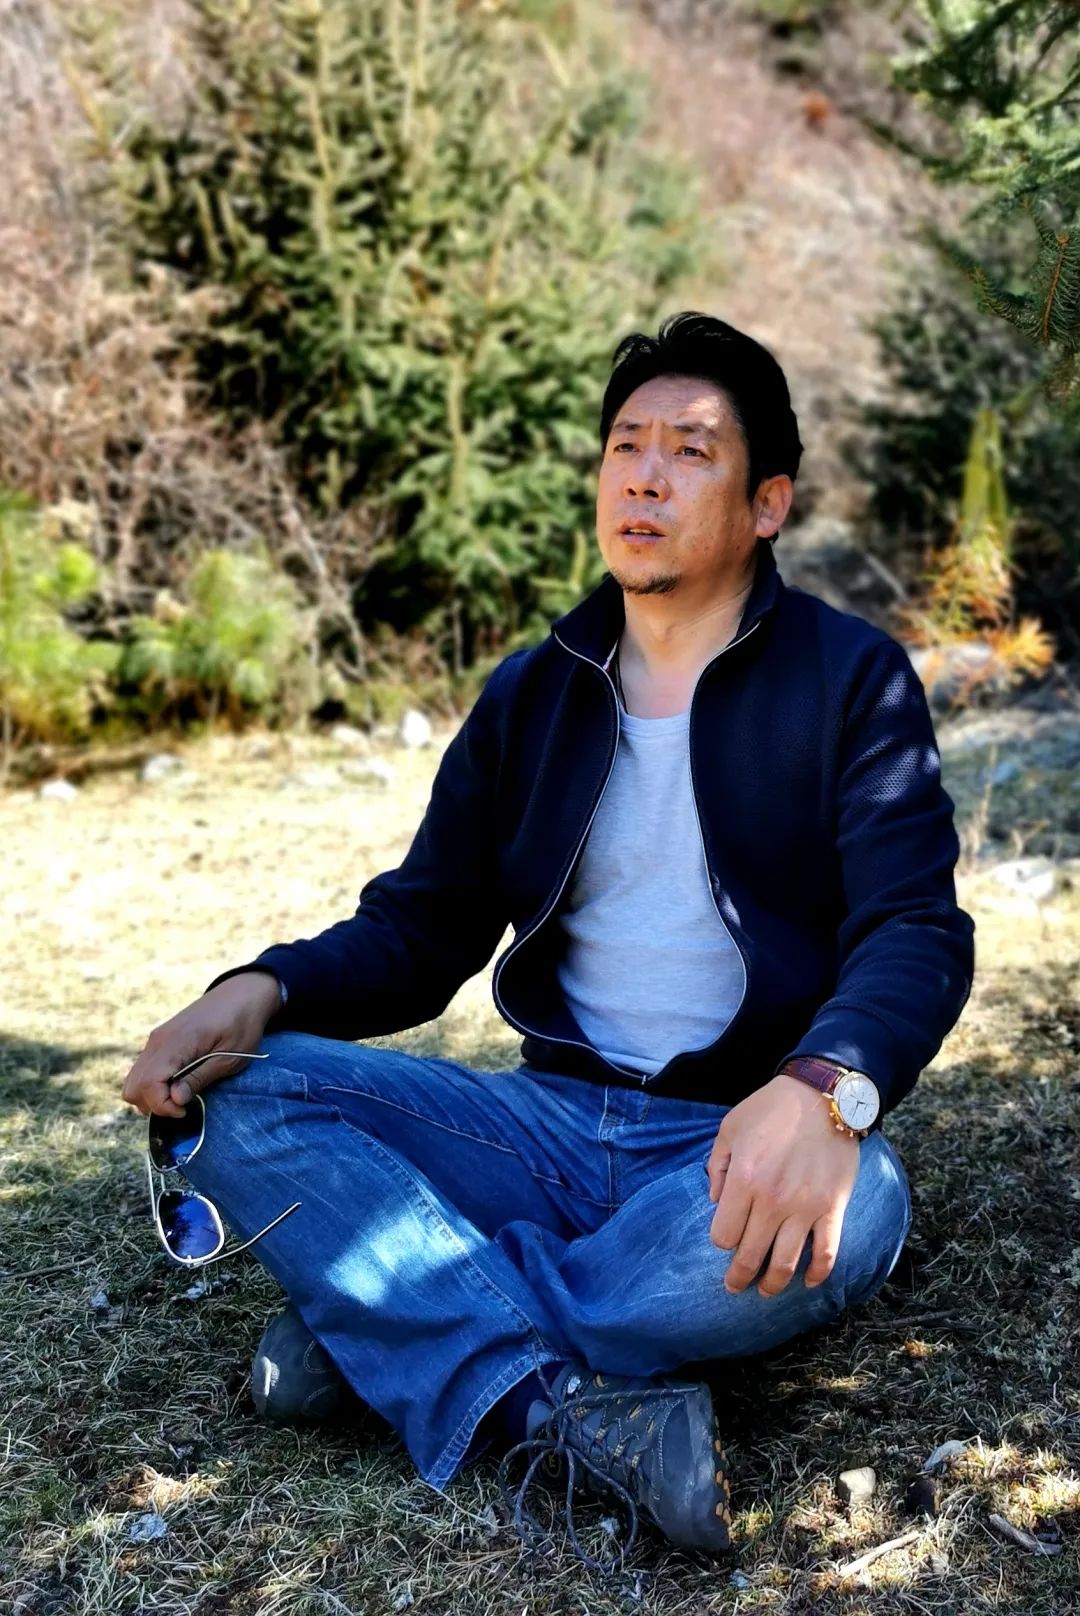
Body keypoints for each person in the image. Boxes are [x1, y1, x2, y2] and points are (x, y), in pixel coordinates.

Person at [121, 311, 975, 1565]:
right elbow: (424, 925)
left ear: (768, 504)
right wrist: (266, 986)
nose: (644, 476)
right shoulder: (535, 690)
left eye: (691, 450)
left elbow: (916, 925)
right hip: (542, 1126)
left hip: (732, 1140)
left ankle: (390, 1321)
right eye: (626, 445)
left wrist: (826, 1085)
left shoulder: (852, 678)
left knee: (868, 1197)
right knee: (240, 1098)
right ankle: (545, 1397)